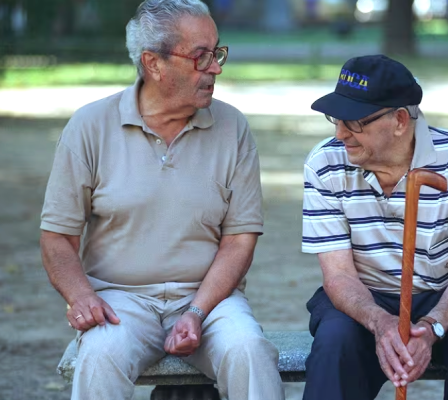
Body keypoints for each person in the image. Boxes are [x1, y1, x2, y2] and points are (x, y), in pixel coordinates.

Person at [39, 1, 284, 399]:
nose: (216, 68)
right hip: (120, 301)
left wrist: (197, 311)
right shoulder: (89, 126)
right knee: (100, 355)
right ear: (153, 63)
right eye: (201, 57)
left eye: (217, 53)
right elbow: (57, 238)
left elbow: (239, 239)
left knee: (248, 350)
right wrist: (81, 297)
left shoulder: (232, 127)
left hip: (210, 300)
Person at [301, 54, 448, 400]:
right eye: (335, 119)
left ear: (401, 120)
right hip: (365, 293)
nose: (340, 134)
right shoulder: (324, 162)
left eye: (354, 123)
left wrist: (431, 327)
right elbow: (338, 275)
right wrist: (379, 321)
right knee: (334, 345)